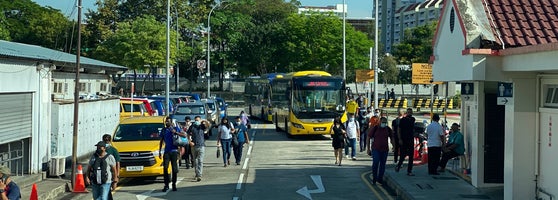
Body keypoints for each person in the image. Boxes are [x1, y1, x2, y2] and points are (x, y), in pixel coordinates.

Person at [159, 117, 185, 192]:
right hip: (167, 151)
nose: (167, 123)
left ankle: (174, 184)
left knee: (174, 169)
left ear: (171, 122)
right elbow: (161, 141)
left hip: (174, 151)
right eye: (166, 122)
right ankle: (166, 184)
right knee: (165, 168)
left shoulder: (176, 128)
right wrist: (160, 151)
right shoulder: (164, 130)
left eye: (168, 122)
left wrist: (175, 132)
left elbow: (184, 136)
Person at [367, 117, 394, 185]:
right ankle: (374, 178)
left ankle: (380, 179)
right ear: (379, 122)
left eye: (385, 122)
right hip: (376, 149)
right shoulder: (375, 128)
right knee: (376, 163)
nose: (383, 124)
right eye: (382, 122)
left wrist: (394, 146)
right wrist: (368, 148)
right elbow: (368, 137)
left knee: (382, 165)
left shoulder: (387, 129)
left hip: (384, 150)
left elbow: (392, 137)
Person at [187, 116, 210, 181]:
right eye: (196, 120)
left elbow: (208, 126)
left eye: (198, 120)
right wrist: (190, 141)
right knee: (195, 161)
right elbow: (188, 134)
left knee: (200, 161)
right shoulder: (192, 126)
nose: (197, 121)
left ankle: (199, 175)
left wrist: (204, 121)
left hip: (201, 145)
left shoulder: (202, 126)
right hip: (194, 146)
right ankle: (196, 173)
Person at [395, 108, 416, 176]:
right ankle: (399, 165)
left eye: (411, 112)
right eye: (408, 112)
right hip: (404, 139)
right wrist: (400, 139)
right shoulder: (402, 120)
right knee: (403, 154)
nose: (410, 113)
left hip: (410, 139)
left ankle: (409, 170)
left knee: (411, 155)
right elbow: (399, 130)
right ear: (406, 113)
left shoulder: (413, 119)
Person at [102, 134, 120, 200]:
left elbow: (117, 163)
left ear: (110, 141)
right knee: (105, 193)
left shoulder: (113, 150)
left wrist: (116, 177)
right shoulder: (100, 150)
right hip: (102, 176)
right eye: (105, 140)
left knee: (107, 193)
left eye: (107, 140)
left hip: (111, 176)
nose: (106, 142)